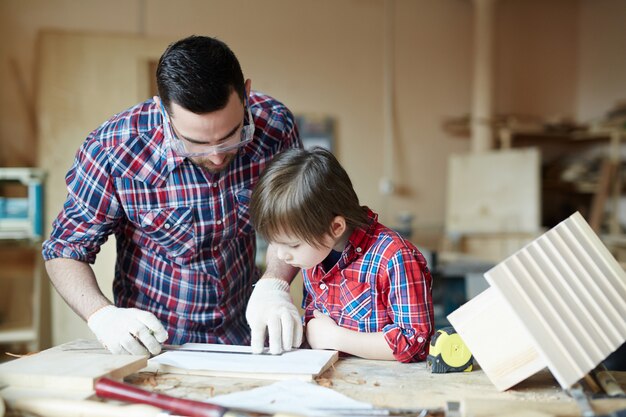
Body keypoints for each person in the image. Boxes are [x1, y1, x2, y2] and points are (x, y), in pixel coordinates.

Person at [42, 35, 304, 356]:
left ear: (247, 94)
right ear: (162, 111)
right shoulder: (113, 150)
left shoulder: (275, 126)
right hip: (156, 343)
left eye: (230, 136)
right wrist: (102, 315)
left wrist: (274, 283)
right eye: (195, 142)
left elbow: (293, 221)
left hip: (244, 335)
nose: (217, 156)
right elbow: (65, 249)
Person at [249, 147, 434, 362]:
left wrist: (337, 338)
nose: (281, 255)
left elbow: (416, 342)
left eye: (293, 245)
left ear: (335, 228)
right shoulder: (318, 252)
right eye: (274, 243)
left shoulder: (393, 258)